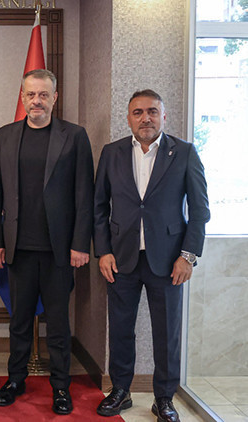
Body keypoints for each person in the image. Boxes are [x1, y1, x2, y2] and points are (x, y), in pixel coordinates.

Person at [94, 89, 209, 422]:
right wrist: (103, 251)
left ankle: (164, 398)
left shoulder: (184, 153)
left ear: (163, 116)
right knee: (120, 329)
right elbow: (98, 207)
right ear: (129, 118)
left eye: (152, 112)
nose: (146, 118)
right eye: (138, 112)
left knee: (167, 332)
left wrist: (188, 256)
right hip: (121, 259)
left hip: (170, 261)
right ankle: (120, 391)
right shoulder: (112, 152)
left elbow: (200, 210)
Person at [0, 69, 94, 415]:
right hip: (18, 247)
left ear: (54, 98)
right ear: (22, 97)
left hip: (59, 250)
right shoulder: (4, 136)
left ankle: (60, 386)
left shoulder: (74, 136)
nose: (37, 101)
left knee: (59, 324)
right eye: (31, 94)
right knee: (19, 321)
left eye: (43, 95)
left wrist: (81, 244)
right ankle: (15, 380)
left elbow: (84, 194)